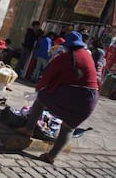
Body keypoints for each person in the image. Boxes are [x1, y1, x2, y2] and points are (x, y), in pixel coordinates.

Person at [16, 31, 99, 164]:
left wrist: (39, 89)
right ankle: (51, 156)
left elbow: (48, 76)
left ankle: (29, 129)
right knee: (68, 127)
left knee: (41, 99)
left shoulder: (64, 57)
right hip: (91, 100)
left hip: (73, 95)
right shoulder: (88, 56)